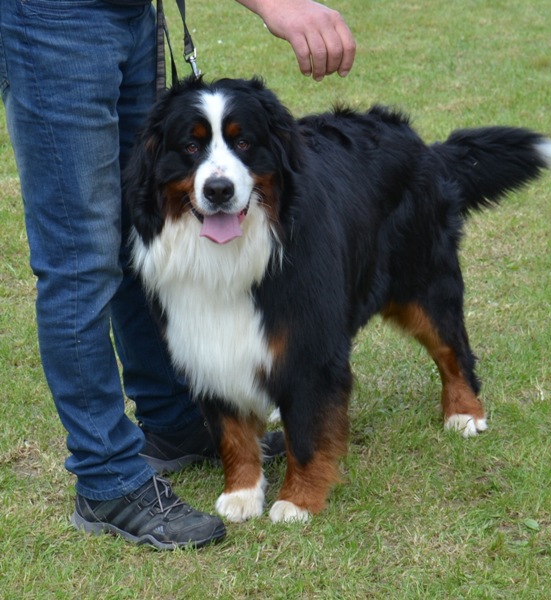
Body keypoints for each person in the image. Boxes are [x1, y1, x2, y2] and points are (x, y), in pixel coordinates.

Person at [0, 0, 355, 550]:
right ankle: (107, 479)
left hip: (131, 13)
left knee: (137, 222)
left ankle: (172, 419)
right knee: (79, 257)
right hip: (53, 19)